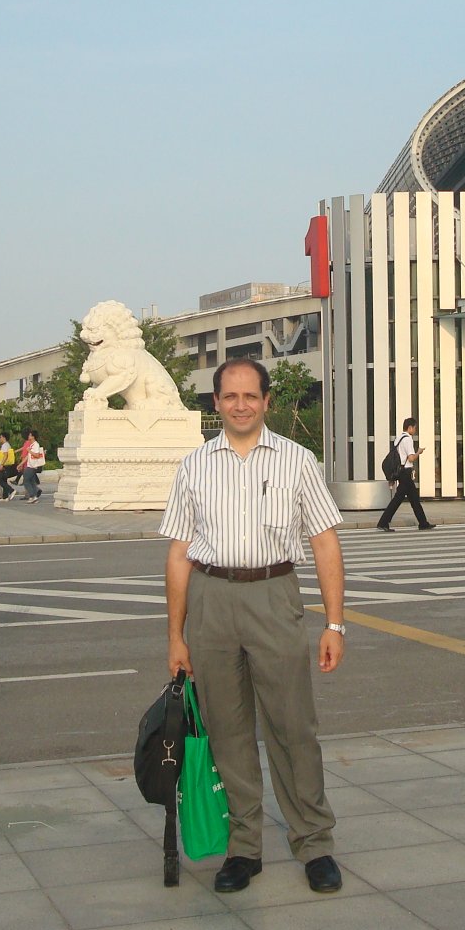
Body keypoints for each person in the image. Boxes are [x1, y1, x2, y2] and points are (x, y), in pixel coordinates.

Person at [160, 356, 346, 896]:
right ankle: (243, 848)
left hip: (274, 594)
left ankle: (314, 843)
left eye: (250, 396)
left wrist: (335, 624)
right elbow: (179, 554)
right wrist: (176, 636)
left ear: (266, 401)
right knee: (228, 729)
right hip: (212, 600)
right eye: (229, 396)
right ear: (216, 403)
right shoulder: (194, 466)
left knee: (293, 726)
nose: (240, 405)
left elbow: (324, 541)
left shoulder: (297, 461)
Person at [377, 417, 435, 532]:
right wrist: (419, 452)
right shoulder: (408, 439)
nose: (415, 430)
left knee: (414, 499)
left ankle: (423, 523)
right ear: (410, 427)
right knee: (398, 499)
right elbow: (411, 458)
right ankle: (383, 522)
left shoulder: (398, 438)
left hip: (401, 472)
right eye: (414, 428)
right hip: (405, 473)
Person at [18, 428, 45, 504]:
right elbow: (28, 456)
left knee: (26, 481)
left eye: (30, 435)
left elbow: (37, 455)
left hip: (32, 466)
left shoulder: (36, 445)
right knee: (32, 481)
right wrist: (21, 464)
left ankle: (32, 495)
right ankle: (35, 496)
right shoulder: (31, 445)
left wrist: (29, 451)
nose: (28, 436)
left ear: (33, 437)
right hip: (29, 465)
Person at [0, 433, 18, 501]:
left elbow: (5, 455)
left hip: (5, 465)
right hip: (6, 465)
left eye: (0, 437)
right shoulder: (7, 445)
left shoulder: (5, 445)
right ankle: (5, 497)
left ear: (4, 438)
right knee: (3, 479)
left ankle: (11, 490)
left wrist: (1, 464)